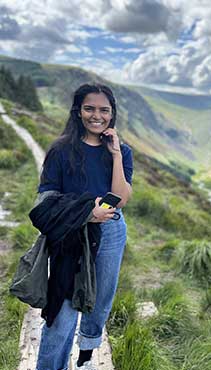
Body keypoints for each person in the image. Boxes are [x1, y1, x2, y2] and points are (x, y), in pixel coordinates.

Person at [35, 83, 133, 370]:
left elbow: (122, 198)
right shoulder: (61, 150)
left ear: (112, 114)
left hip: (111, 232)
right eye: (90, 108)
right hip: (70, 234)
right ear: (78, 111)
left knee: (100, 298)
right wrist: (85, 214)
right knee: (62, 308)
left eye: (104, 110)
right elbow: (46, 200)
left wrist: (115, 154)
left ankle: (85, 358)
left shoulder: (122, 151)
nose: (97, 116)